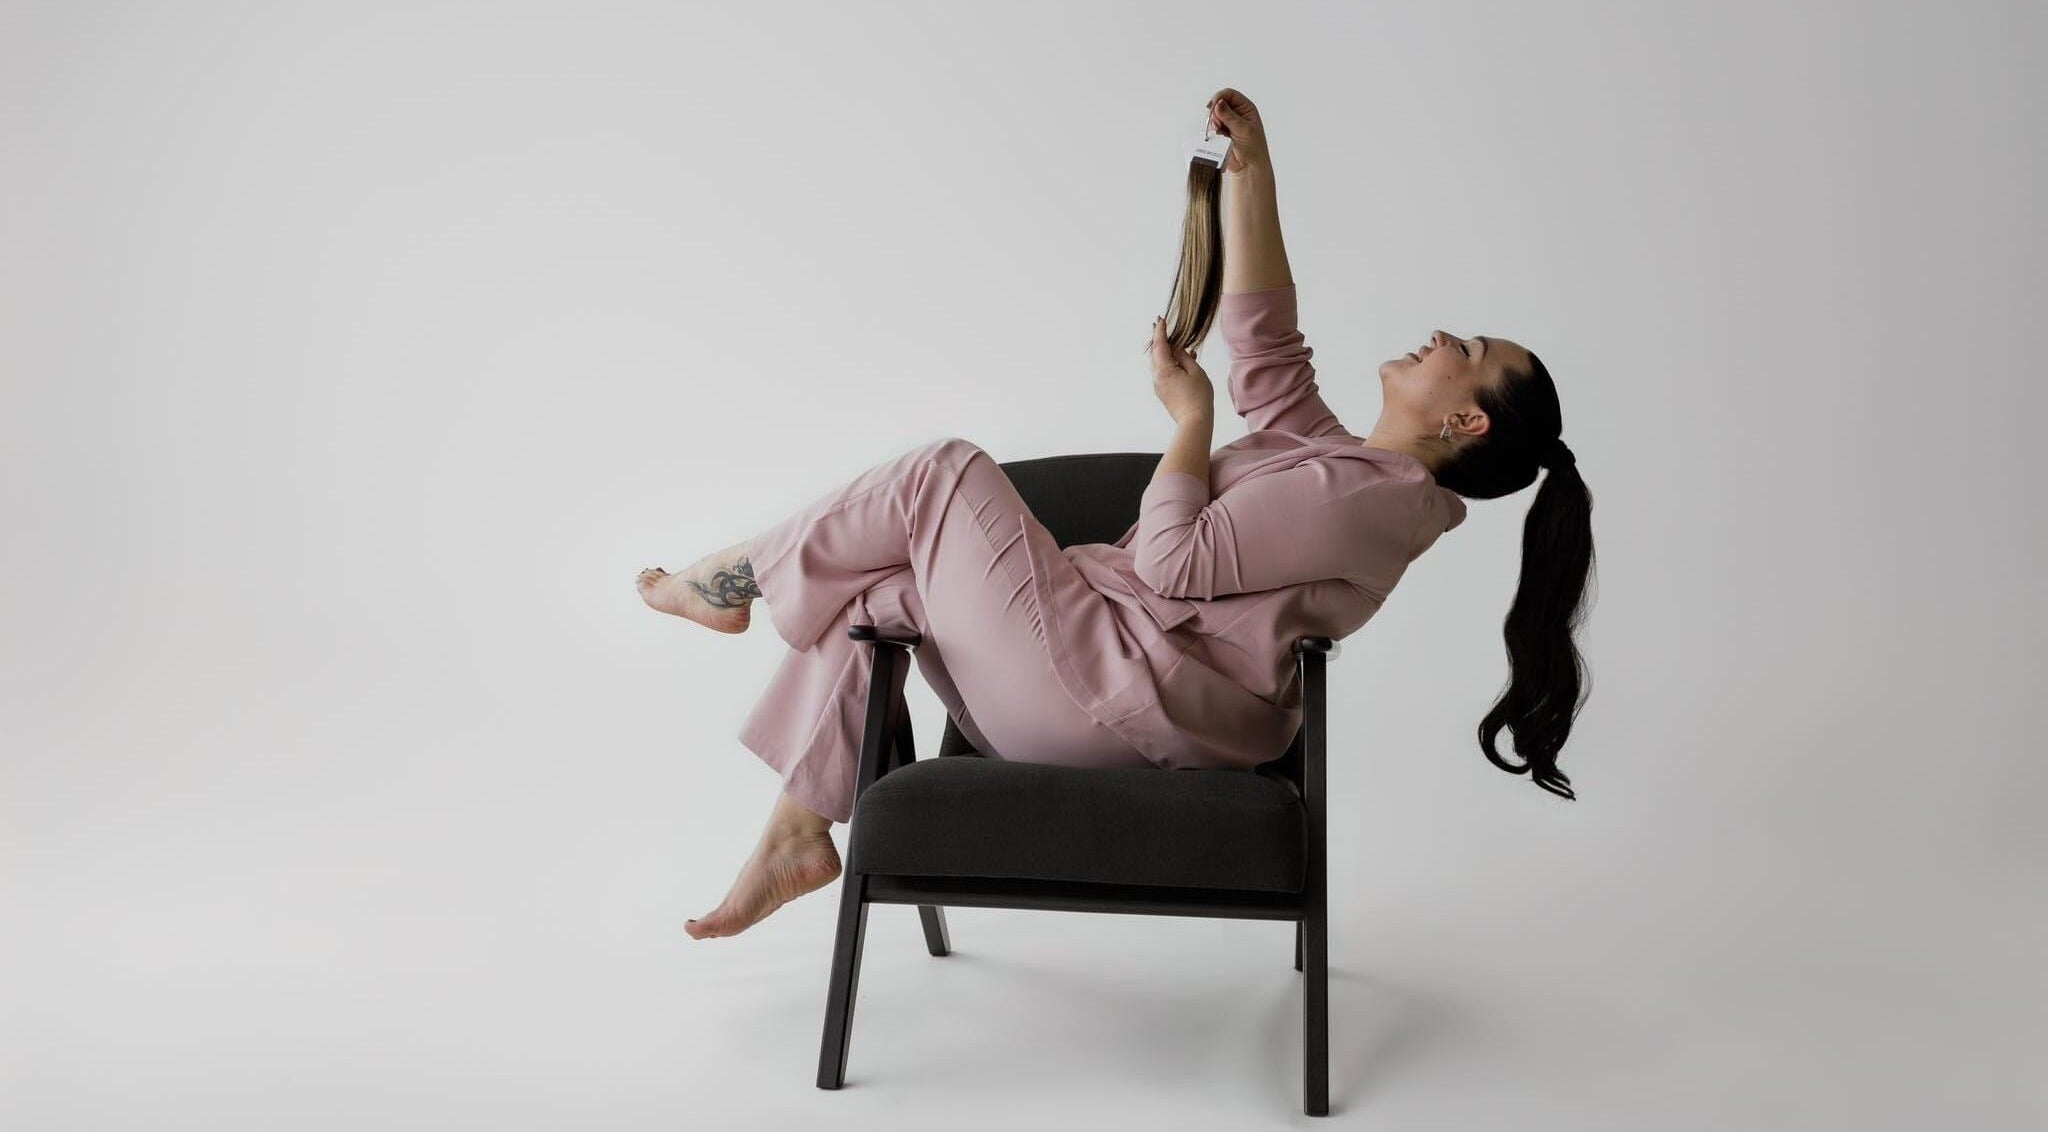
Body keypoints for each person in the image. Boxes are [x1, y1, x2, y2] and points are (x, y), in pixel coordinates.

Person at [636, 88, 1594, 940]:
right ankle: (800, 829)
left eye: (1461, 348)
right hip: (1088, 672)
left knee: (943, 469)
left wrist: (1190, 422)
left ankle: (732, 580)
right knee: (880, 578)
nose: (1437, 338)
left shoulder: (1373, 501)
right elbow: (1268, 349)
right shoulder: (1344, 462)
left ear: (1466, 419)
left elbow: (1176, 565)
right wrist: (1253, 174)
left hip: (1112, 700)